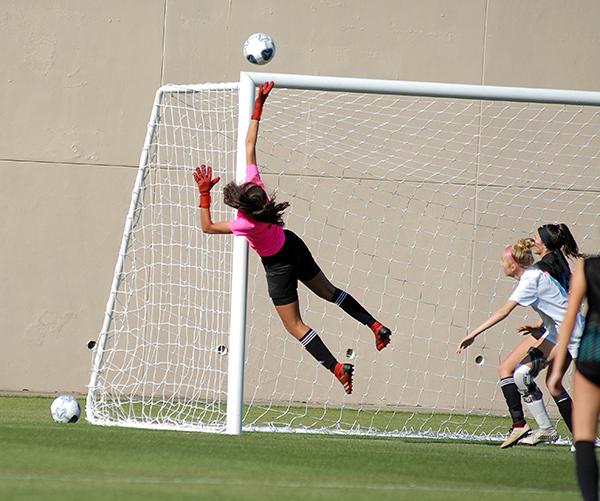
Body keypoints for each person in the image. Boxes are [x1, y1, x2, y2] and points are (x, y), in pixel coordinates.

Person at [192, 81, 391, 395]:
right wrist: (259, 104)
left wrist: (204, 194)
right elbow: (250, 143)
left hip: (279, 266)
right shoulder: (259, 199)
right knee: (330, 292)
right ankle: (375, 325)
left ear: (245, 201)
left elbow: (207, 228)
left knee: (294, 325)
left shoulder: (243, 223)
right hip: (293, 244)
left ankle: (336, 367)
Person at [457, 239, 583, 447]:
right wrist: (542, 322)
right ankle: (547, 429)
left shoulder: (529, 280)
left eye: (502, 261)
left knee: (587, 386)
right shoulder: (533, 276)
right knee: (521, 375)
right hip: (556, 333)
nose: (500, 264)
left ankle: (581, 438)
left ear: (513, 265)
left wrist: (473, 334)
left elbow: (503, 312)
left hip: (573, 333)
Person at [497, 223, 582, 447]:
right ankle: (575, 435)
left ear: (544, 243)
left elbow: (551, 295)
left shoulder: (542, 267)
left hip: (556, 332)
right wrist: (540, 320)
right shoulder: (561, 262)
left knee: (512, 370)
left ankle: (524, 426)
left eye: (535, 237)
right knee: (554, 385)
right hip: (558, 326)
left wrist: (543, 323)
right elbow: (566, 295)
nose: (532, 240)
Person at [548, 256, 600, 501]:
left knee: (584, 438)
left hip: (592, 356)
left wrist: (558, 368)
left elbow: (570, 316)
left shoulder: (586, 267)